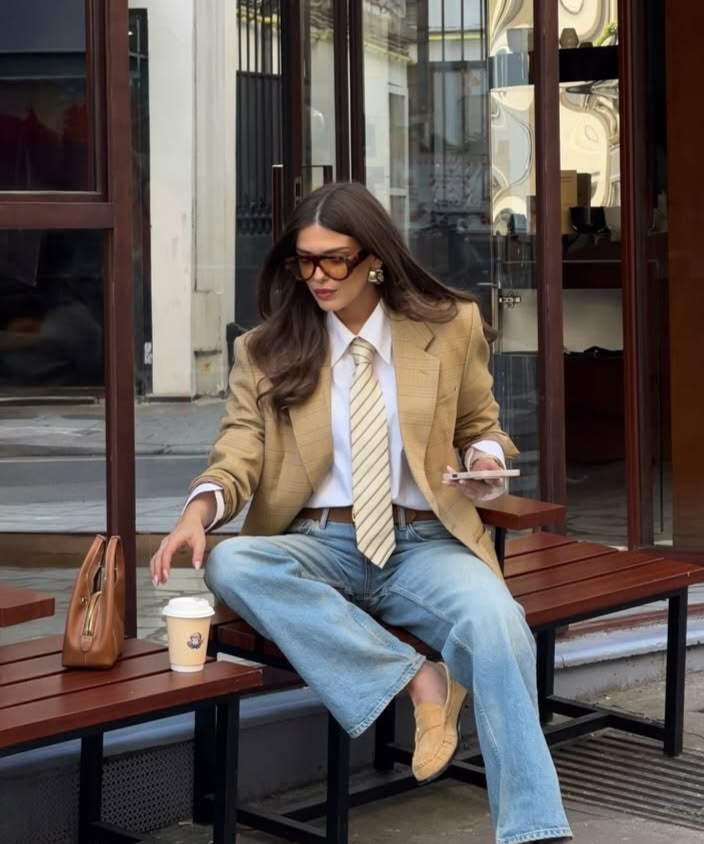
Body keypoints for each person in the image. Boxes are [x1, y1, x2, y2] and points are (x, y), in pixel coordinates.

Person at [150, 181, 572, 844]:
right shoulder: (265, 351)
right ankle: (416, 679)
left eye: (335, 259)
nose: (317, 276)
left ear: (374, 257)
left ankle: (535, 832)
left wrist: (485, 462)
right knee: (232, 563)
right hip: (322, 545)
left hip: (424, 542)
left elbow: (478, 422)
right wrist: (201, 510)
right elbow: (239, 452)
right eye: (304, 260)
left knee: (500, 626)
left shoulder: (448, 324)